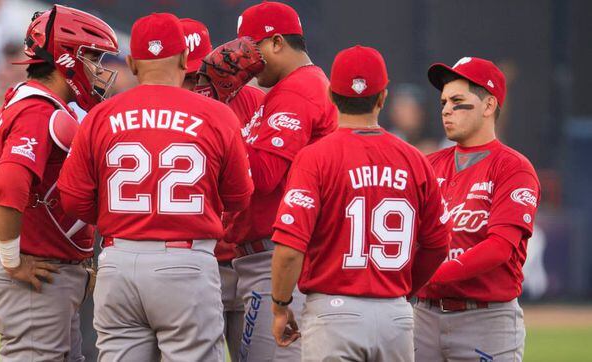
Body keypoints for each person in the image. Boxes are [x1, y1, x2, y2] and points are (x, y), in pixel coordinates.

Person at [57, 13, 254, 361]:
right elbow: (239, 196)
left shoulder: (102, 116)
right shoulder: (216, 114)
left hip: (118, 257)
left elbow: (72, 200)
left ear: (132, 63)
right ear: (183, 59)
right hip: (186, 259)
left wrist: (116, 215)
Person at [269, 45, 450, 362]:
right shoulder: (415, 160)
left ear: (331, 95)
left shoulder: (316, 157)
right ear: (383, 97)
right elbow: (437, 245)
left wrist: (280, 305)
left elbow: (288, 250)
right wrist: (402, 291)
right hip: (395, 315)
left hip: (334, 313)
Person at [0, 4, 119, 361]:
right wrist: (13, 261)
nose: (98, 69)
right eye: (92, 57)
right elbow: (9, 186)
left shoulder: (33, 102)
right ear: (68, 58)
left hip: (45, 270)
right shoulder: (39, 110)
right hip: (32, 271)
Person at [228, 2, 338, 361]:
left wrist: (219, 128)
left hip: (281, 256)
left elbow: (261, 175)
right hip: (272, 256)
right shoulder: (290, 88)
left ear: (277, 43)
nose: (243, 60)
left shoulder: (296, 90)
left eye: (250, 49)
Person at [414, 56, 541, 362]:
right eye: (444, 101)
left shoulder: (513, 168)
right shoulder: (428, 165)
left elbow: (499, 249)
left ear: (488, 106)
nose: (446, 109)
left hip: (485, 319)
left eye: (458, 101)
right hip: (423, 317)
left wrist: (428, 275)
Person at [180, 18, 265, 361]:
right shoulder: (160, 109)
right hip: (195, 262)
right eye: (185, 76)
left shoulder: (255, 101)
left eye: (198, 73)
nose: (195, 84)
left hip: (249, 259)